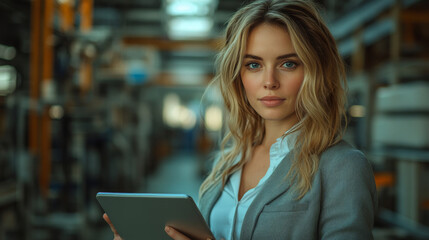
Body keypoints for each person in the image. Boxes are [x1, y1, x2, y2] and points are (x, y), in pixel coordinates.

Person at [104, 0, 378, 239]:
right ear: (239, 75)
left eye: (288, 64)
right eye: (254, 65)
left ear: (315, 72)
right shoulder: (229, 159)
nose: (269, 82)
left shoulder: (342, 167)